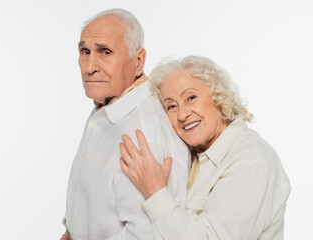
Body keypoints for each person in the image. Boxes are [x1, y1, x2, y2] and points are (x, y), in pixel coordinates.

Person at [120, 55, 291, 239]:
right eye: (171, 106)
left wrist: (154, 190)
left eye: (191, 97)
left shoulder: (251, 159)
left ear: (219, 96)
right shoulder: (193, 155)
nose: (183, 114)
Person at [60, 9, 190, 240]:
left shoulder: (142, 133)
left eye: (105, 52)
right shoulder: (110, 105)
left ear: (138, 61)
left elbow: (146, 235)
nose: (89, 67)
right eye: (85, 51)